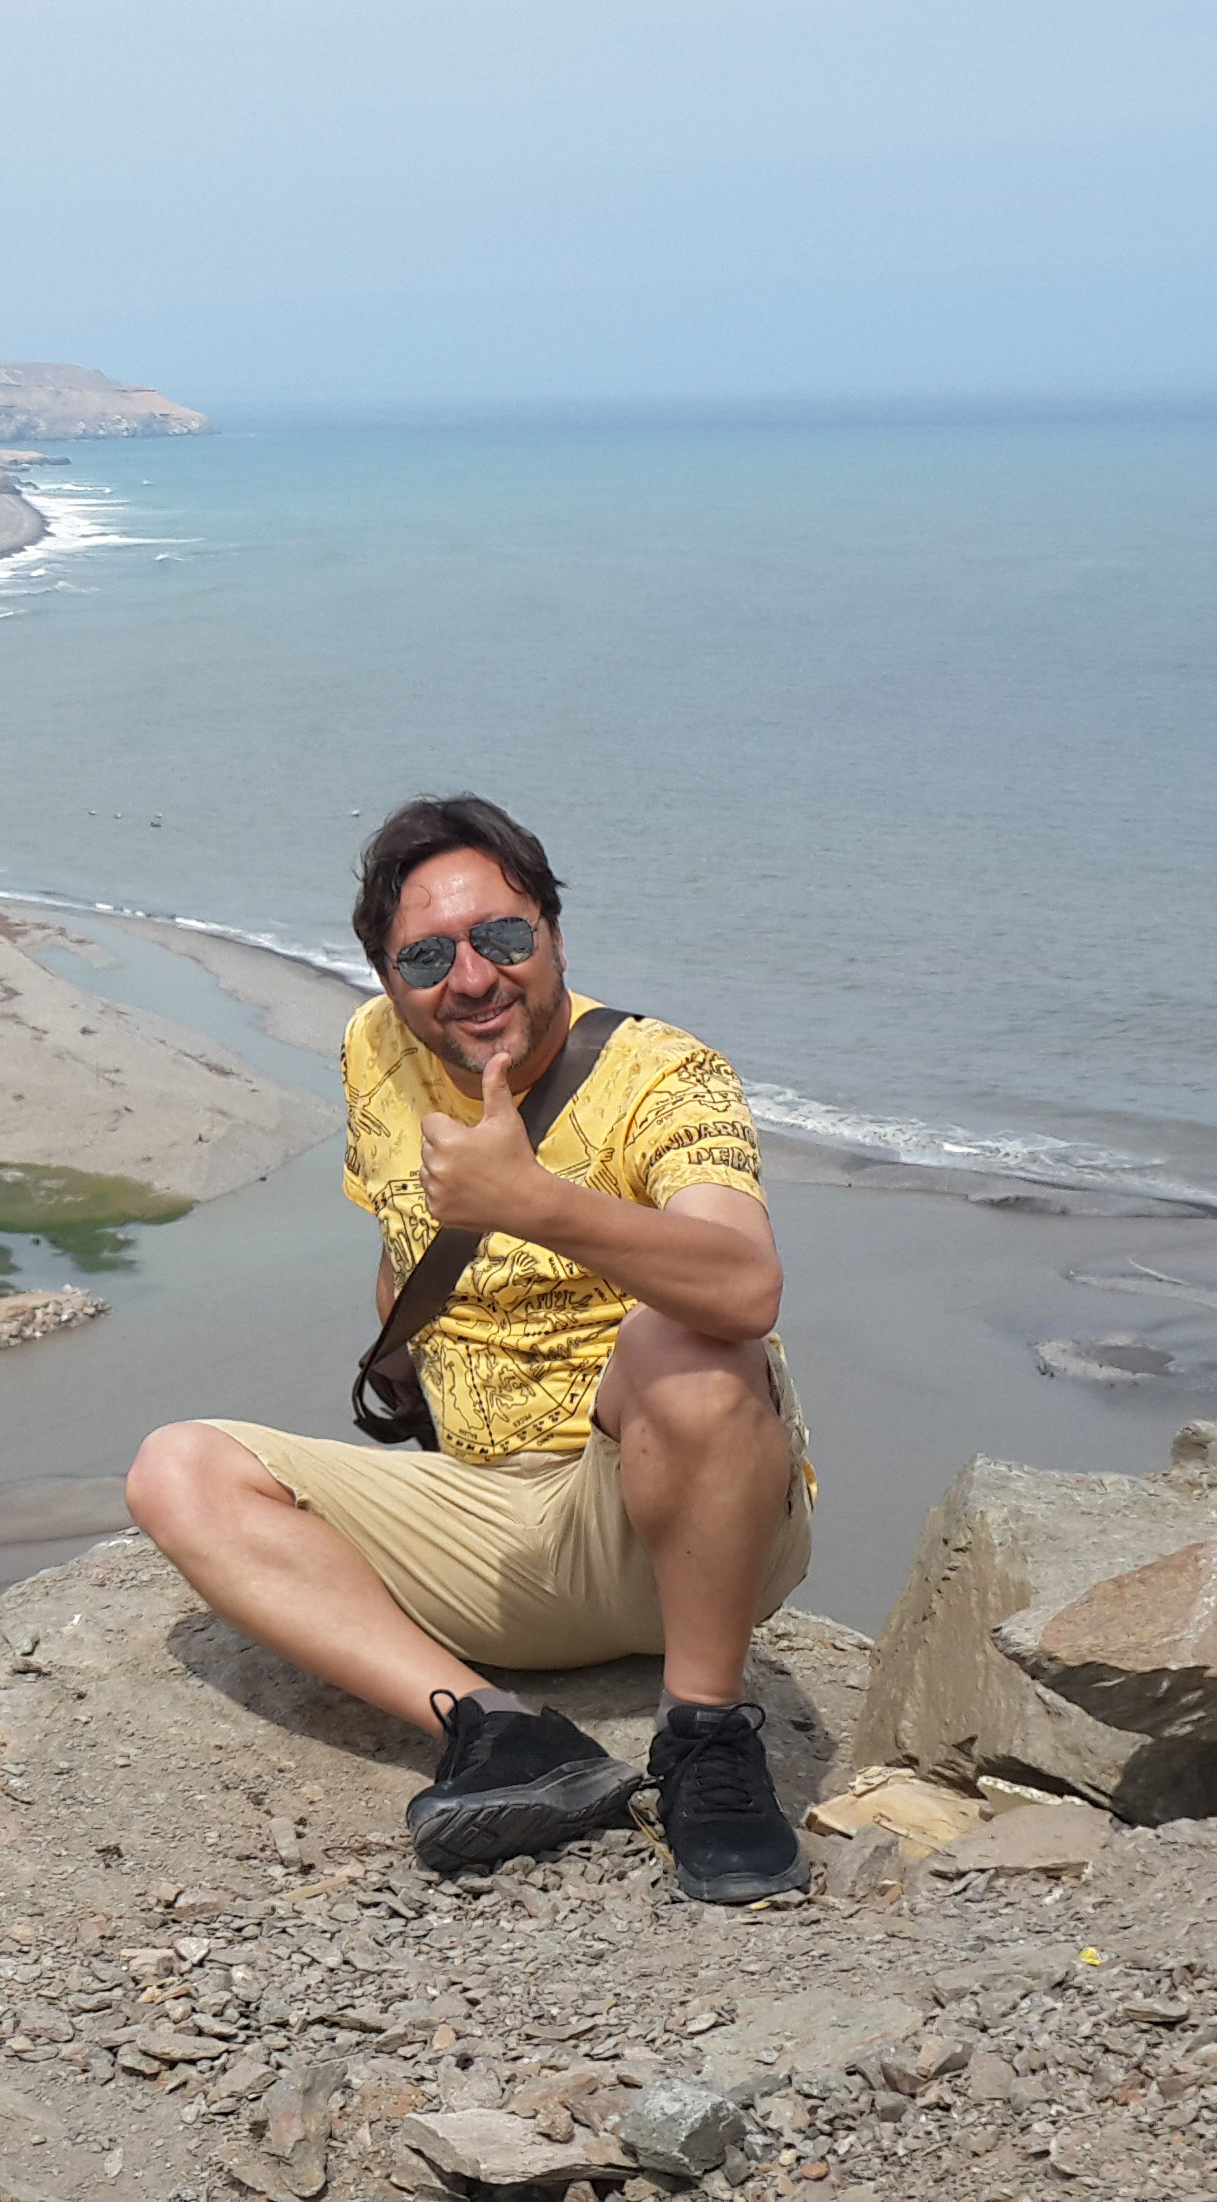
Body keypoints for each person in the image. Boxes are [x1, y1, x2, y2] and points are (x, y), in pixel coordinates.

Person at [122, 795, 815, 1902]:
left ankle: (705, 1737)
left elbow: (746, 1286)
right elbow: (404, 1233)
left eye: (501, 936)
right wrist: (401, 1355)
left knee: (688, 1345)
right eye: (428, 956)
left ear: (553, 933)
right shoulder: (375, 1047)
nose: (474, 978)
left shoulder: (666, 1077)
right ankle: (501, 1733)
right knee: (177, 1469)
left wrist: (535, 1203)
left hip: (656, 1527)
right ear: (388, 978)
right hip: (487, 1530)